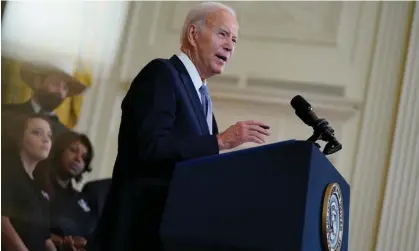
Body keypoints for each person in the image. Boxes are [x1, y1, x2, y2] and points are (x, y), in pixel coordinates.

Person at [86, 2, 270, 251]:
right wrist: (220, 141)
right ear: (193, 34)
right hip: (137, 234)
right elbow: (150, 148)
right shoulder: (161, 74)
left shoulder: (203, 99)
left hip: (174, 235)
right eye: (223, 34)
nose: (229, 46)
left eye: (234, 40)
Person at [1, 113, 57, 251]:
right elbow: (2, 221)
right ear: (20, 138)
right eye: (37, 133)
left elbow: (45, 238)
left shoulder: (41, 185)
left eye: (49, 136)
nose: (46, 140)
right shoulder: (6, 171)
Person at [35, 131, 97, 251]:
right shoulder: (36, 185)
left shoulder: (81, 199)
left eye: (84, 158)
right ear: (59, 150)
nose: (78, 159)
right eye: (73, 150)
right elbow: (27, 229)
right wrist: (63, 242)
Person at [2, 62, 86, 135]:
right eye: (55, 84)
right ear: (37, 82)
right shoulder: (5, 114)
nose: (60, 92)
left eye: (65, 88)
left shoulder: (64, 135)